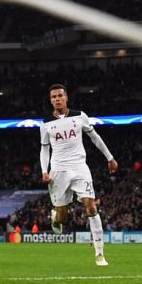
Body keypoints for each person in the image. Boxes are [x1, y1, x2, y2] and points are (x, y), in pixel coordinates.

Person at [39, 84, 118, 266]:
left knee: (90, 206)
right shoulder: (45, 124)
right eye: (53, 97)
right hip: (58, 170)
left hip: (80, 167)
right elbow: (44, 149)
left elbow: (95, 137)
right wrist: (44, 170)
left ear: (66, 97)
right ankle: (55, 217)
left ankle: (100, 254)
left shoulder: (79, 116)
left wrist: (110, 157)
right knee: (62, 216)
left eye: (60, 95)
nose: (57, 99)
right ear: (51, 100)